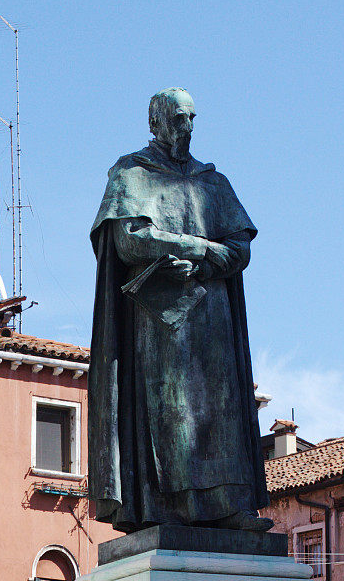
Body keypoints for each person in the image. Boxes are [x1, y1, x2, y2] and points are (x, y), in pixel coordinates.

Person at [88, 87, 272, 533]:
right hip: (158, 316)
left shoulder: (214, 182)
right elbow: (130, 240)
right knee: (170, 410)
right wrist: (197, 245)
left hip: (212, 312)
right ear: (154, 123)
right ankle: (164, 507)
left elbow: (241, 249)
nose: (185, 127)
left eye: (191, 118)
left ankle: (228, 504)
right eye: (176, 118)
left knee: (220, 408)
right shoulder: (131, 174)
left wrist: (205, 260)